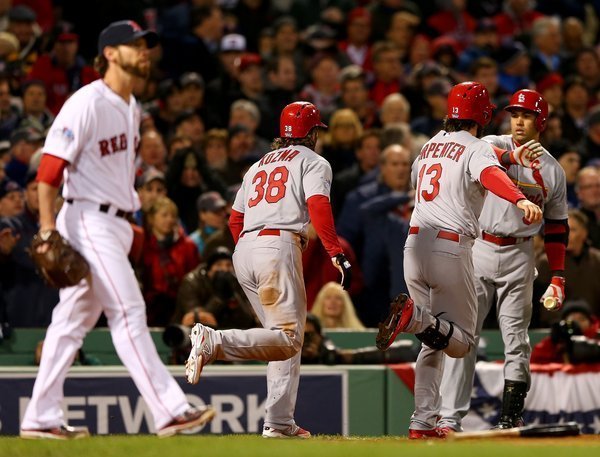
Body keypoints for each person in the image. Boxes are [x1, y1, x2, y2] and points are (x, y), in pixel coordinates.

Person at [20, 20, 215, 440]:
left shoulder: (131, 106)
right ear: (110, 53)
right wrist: (48, 228)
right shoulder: (86, 101)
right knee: (128, 312)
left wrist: (132, 222)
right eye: (135, 46)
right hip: (87, 219)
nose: (144, 52)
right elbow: (50, 170)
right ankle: (170, 409)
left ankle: (40, 416)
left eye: (147, 46)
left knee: (70, 322)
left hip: (115, 222)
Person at [375, 82, 543, 439]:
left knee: (433, 339)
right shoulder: (477, 146)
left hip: (414, 244)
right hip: (449, 248)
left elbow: (477, 164)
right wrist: (518, 199)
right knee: (462, 342)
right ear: (483, 114)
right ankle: (415, 319)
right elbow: (487, 172)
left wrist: (511, 158)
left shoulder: (427, 147)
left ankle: (422, 422)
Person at [185, 101, 352, 438]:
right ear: (311, 133)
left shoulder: (257, 165)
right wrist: (334, 249)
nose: (319, 136)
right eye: (317, 130)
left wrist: (249, 250)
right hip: (276, 246)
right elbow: (318, 204)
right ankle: (214, 341)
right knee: (289, 338)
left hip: (245, 247)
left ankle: (278, 422)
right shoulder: (314, 161)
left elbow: (234, 219)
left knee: (282, 337)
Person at [438, 89, 569, 432]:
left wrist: (558, 276)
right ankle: (450, 417)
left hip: (520, 251)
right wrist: (511, 158)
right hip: (480, 245)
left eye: (526, 116)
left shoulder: (553, 171)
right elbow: (469, 149)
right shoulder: (492, 143)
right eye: (515, 114)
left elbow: (557, 227)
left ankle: (511, 417)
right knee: (464, 334)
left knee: (516, 338)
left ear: (540, 121)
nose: (519, 121)